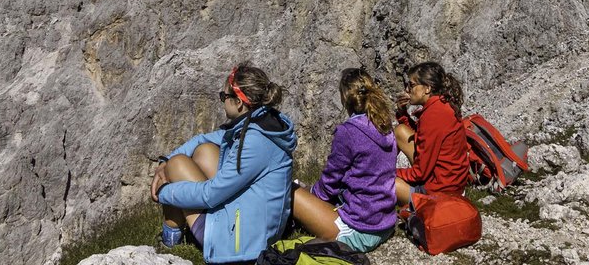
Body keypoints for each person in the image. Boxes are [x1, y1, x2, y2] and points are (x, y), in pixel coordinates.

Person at [151, 63, 297, 264]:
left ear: (238, 102)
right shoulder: (264, 123)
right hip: (257, 231)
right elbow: (205, 138)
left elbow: (209, 196)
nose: (222, 102)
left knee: (176, 165)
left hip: (236, 245)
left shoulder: (253, 141)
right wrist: (163, 161)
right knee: (204, 150)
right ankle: (179, 230)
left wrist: (165, 192)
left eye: (223, 97)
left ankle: (171, 240)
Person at [291, 68, 397, 252]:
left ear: (344, 97)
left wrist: (308, 193)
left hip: (360, 229)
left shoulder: (348, 131)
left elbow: (329, 183)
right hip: (386, 224)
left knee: (291, 192)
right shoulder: (384, 125)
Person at [393, 61, 470, 205]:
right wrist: (402, 112)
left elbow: (419, 173)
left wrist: (389, 173)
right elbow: (420, 135)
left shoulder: (433, 115)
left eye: (412, 85)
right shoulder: (440, 104)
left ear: (427, 88)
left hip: (440, 192)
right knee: (400, 131)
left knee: (384, 183)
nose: (408, 89)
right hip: (451, 182)